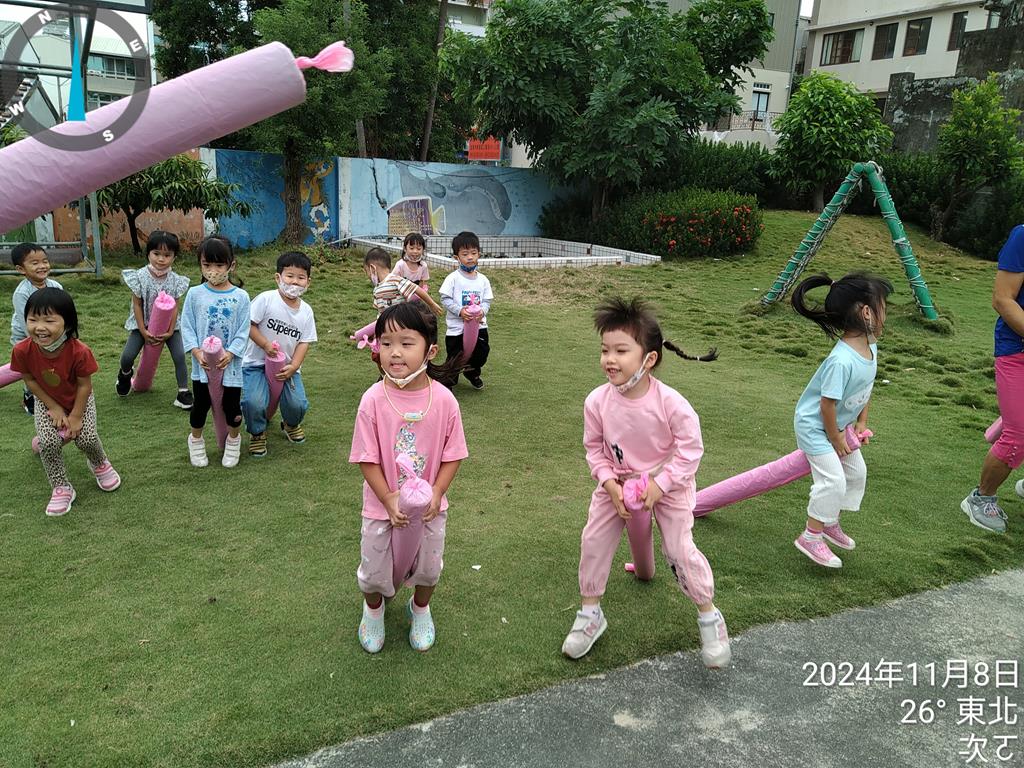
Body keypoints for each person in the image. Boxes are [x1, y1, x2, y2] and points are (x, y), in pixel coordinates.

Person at [561, 297, 729, 667]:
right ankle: (590, 614)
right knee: (593, 539)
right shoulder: (597, 401)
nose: (610, 359)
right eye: (605, 350)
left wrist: (660, 484)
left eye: (621, 351)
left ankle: (709, 615)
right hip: (618, 483)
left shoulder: (672, 403)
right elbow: (594, 449)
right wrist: (609, 484)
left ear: (648, 359)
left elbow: (690, 450)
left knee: (679, 550)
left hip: (669, 486)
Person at [349, 302, 468, 653]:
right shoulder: (373, 399)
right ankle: (373, 611)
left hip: (430, 509)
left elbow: (453, 454)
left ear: (430, 350)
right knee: (373, 571)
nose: (395, 352)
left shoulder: (444, 401)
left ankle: (420, 608)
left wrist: (438, 491)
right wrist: (388, 497)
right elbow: (366, 457)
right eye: (386, 343)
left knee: (429, 568)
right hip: (380, 507)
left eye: (406, 342)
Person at [791, 273, 892, 567]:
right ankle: (811, 536)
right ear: (866, 312)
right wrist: (835, 438)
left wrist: (861, 422)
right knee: (833, 480)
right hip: (815, 427)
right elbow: (826, 404)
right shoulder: (841, 360)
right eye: (883, 307)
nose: (886, 314)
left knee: (857, 472)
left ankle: (829, 520)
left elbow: (865, 389)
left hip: (838, 425)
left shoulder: (870, 348)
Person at [10, 287, 121, 516]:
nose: (39, 327)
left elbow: (84, 386)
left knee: (86, 437)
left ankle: (99, 462)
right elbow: (29, 380)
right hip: (46, 400)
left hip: (79, 398)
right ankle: (61, 486)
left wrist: (76, 416)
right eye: (32, 319)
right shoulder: (22, 350)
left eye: (49, 320)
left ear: (67, 323)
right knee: (48, 443)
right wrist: (53, 407)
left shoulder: (79, 351)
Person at [961, 225, 1024, 534]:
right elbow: (1002, 299)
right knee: (1019, 434)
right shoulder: (1023, 236)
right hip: (1017, 351)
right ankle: (981, 498)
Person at [180, 235, 250, 468]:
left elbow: (243, 330)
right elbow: (187, 325)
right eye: (207, 264)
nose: (213, 270)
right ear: (200, 265)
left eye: (219, 265)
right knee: (201, 404)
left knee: (232, 407)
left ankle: (233, 441)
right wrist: (195, 351)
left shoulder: (241, 297)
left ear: (231, 265)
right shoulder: (194, 294)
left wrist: (231, 353)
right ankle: (196, 441)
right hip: (202, 366)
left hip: (231, 366)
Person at [241, 251, 317, 457]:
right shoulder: (266, 299)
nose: (295, 282)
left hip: (287, 367)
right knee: (254, 401)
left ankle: (290, 424)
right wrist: (265, 344)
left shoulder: (306, 311)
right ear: (278, 277)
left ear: (308, 282)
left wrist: (295, 366)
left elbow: (304, 342)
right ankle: (257, 433)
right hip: (256, 363)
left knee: (297, 404)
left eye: (301, 277)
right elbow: (249, 324)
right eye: (289, 276)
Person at [114, 230, 192, 408]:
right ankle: (125, 375)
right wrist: (142, 330)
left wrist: (170, 331)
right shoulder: (139, 276)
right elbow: (137, 305)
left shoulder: (175, 280)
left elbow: (175, 307)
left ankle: (183, 392)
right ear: (148, 253)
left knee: (180, 356)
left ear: (174, 257)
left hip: (170, 326)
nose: (161, 259)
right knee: (127, 356)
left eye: (167, 255)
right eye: (156, 253)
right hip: (142, 323)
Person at [9, 242, 62, 415]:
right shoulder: (22, 293)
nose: (42, 266)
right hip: (26, 337)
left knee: (53, 364)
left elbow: (63, 312)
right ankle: (29, 395)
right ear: (21, 269)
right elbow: (27, 325)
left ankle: (55, 392)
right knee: (31, 367)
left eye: (45, 261)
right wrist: (40, 341)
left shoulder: (56, 287)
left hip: (53, 335)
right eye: (35, 263)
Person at [439, 231, 493, 390]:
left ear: (479, 254)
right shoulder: (453, 278)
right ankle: (449, 380)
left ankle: (472, 373)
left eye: (473, 253)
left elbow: (486, 301)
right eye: (465, 254)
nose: (470, 257)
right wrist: (459, 311)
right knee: (454, 356)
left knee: (481, 353)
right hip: (457, 328)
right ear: (457, 257)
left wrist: (483, 311)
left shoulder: (483, 280)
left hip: (479, 326)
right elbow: (445, 299)